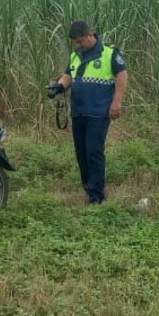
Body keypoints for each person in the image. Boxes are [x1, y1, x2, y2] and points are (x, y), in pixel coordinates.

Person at [47, 20, 128, 205]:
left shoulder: (109, 53)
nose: (78, 45)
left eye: (81, 41)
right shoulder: (76, 56)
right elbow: (68, 76)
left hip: (98, 112)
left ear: (90, 35)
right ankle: (87, 185)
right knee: (81, 152)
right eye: (76, 42)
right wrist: (58, 87)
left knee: (94, 151)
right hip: (79, 111)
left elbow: (122, 75)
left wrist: (116, 102)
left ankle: (96, 196)